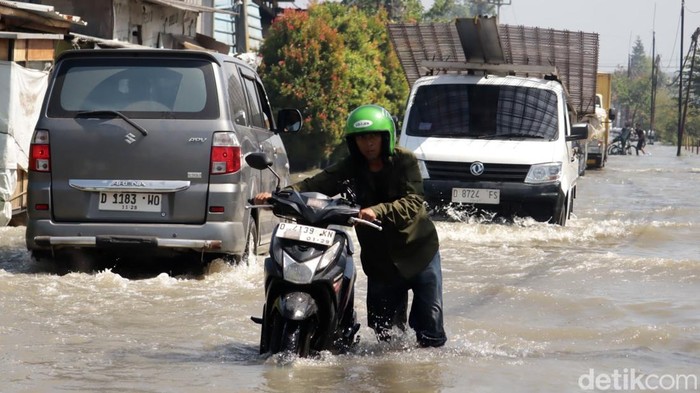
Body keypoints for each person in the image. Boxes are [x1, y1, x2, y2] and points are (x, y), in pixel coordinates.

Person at [253, 104, 447, 348]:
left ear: (385, 136)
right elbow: (316, 184)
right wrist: (278, 196)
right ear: (353, 142)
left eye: (373, 136)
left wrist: (377, 210)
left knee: (430, 330)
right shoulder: (351, 166)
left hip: (418, 252)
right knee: (384, 336)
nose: (368, 144)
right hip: (381, 261)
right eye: (361, 138)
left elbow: (413, 201)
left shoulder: (405, 161)